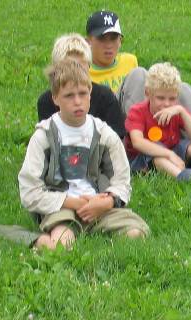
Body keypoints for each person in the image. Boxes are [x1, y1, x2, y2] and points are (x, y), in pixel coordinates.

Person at [85, 10, 191, 167]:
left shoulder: (129, 60)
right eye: (102, 39)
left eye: (113, 38)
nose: (108, 45)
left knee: (178, 88)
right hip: (118, 122)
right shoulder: (84, 68)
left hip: (149, 116)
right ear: (88, 41)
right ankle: (146, 149)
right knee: (139, 74)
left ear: (120, 40)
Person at [19, 59, 149, 250]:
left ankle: (103, 244)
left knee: (136, 235)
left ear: (90, 93)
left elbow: (122, 181)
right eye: (69, 96)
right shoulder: (44, 137)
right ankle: (41, 241)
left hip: (99, 205)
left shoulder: (104, 134)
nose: (77, 102)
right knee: (62, 245)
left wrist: (107, 202)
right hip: (61, 207)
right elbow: (30, 192)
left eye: (82, 93)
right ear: (55, 98)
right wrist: (72, 202)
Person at [37, 33, 125, 138]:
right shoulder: (46, 100)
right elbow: (49, 138)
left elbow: (117, 136)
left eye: (81, 68)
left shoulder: (105, 96)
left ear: (89, 66)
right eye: (69, 69)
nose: (76, 73)